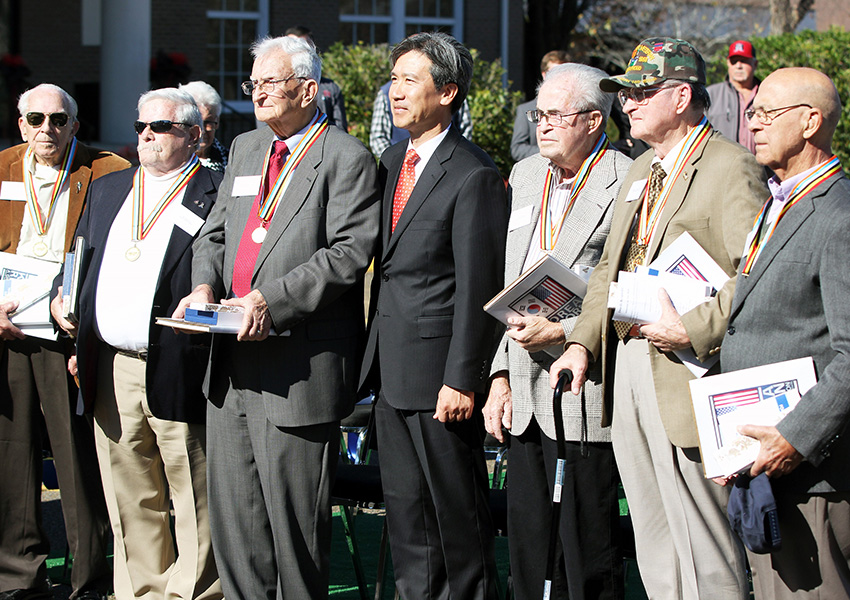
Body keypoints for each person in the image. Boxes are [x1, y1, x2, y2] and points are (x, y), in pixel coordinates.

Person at [549, 38, 768, 599]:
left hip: (689, 372)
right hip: (628, 365)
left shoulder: (730, 166)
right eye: (625, 94)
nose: (629, 104)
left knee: (707, 547)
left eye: (642, 92)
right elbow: (607, 272)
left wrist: (692, 330)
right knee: (652, 535)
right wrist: (581, 344)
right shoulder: (641, 167)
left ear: (681, 96)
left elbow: (760, 275)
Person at [173, 34, 379, 599]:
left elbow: (348, 253)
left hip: (297, 366)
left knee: (293, 536)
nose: (258, 94)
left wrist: (272, 301)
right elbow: (214, 232)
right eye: (253, 84)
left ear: (308, 90)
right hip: (231, 362)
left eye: (270, 82)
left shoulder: (347, 157)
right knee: (236, 528)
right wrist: (202, 286)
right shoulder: (244, 149)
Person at [50, 87, 222, 600]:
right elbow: (80, 258)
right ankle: (140, 592)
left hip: (179, 363)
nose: (147, 135)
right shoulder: (109, 188)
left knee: (194, 492)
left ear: (192, 134)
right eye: (141, 126)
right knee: (130, 494)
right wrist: (65, 299)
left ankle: (192, 594)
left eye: (161, 127)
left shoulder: (215, 191)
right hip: (112, 367)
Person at [360, 31, 508, 600]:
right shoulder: (394, 159)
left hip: (442, 380)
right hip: (392, 374)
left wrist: (462, 377)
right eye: (393, 79)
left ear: (447, 92)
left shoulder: (473, 173)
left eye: (409, 80)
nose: (394, 92)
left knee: (458, 525)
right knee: (408, 523)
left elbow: (479, 286)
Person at [483, 63, 631, 600]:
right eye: (539, 114)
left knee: (585, 554)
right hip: (522, 390)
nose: (542, 125)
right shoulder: (525, 175)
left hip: (581, 389)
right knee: (527, 549)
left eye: (556, 116)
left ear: (594, 121)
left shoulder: (627, 180)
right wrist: (498, 374)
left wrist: (564, 329)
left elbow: (626, 290)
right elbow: (510, 287)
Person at [720, 67, 850, 599]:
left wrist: (796, 437)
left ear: (811, 121)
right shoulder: (779, 201)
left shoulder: (838, 215)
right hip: (765, 466)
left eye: (768, 113)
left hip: (811, 471)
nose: (753, 124)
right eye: (753, 113)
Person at [0, 83, 128, 600]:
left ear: (75, 125)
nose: (46, 130)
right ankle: (17, 577)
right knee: (12, 453)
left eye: (58, 120)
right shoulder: (3, 166)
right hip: (8, 328)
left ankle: (89, 578)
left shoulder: (108, 171)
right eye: (36, 119)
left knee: (76, 458)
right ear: (21, 123)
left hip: (67, 331)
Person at [369, 79, 473, 157]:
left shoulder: (450, 93)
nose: (396, 95)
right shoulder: (385, 93)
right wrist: (401, 160)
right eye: (394, 78)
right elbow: (378, 138)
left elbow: (465, 129)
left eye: (410, 80)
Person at [285, 25, 348, 130]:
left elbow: (340, 128)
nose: (298, 52)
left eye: (304, 46)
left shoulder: (330, 88)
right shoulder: (274, 87)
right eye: (292, 46)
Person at [510, 49, 569, 161]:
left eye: (563, 73)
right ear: (544, 74)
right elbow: (517, 149)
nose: (558, 78)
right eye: (554, 72)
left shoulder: (576, 109)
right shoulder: (525, 110)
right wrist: (550, 151)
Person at [706, 40, 760, 153]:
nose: (738, 66)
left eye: (744, 61)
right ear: (728, 63)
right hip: (722, 168)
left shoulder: (767, 94)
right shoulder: (711, 94)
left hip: (761, 168)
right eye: (734, 61)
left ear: (755, 64)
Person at [179, 81, 229, 172]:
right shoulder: (171, 162)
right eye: (196, 123)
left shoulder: (230, 162)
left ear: (217, 121)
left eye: (208, 122)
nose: (202, 130)